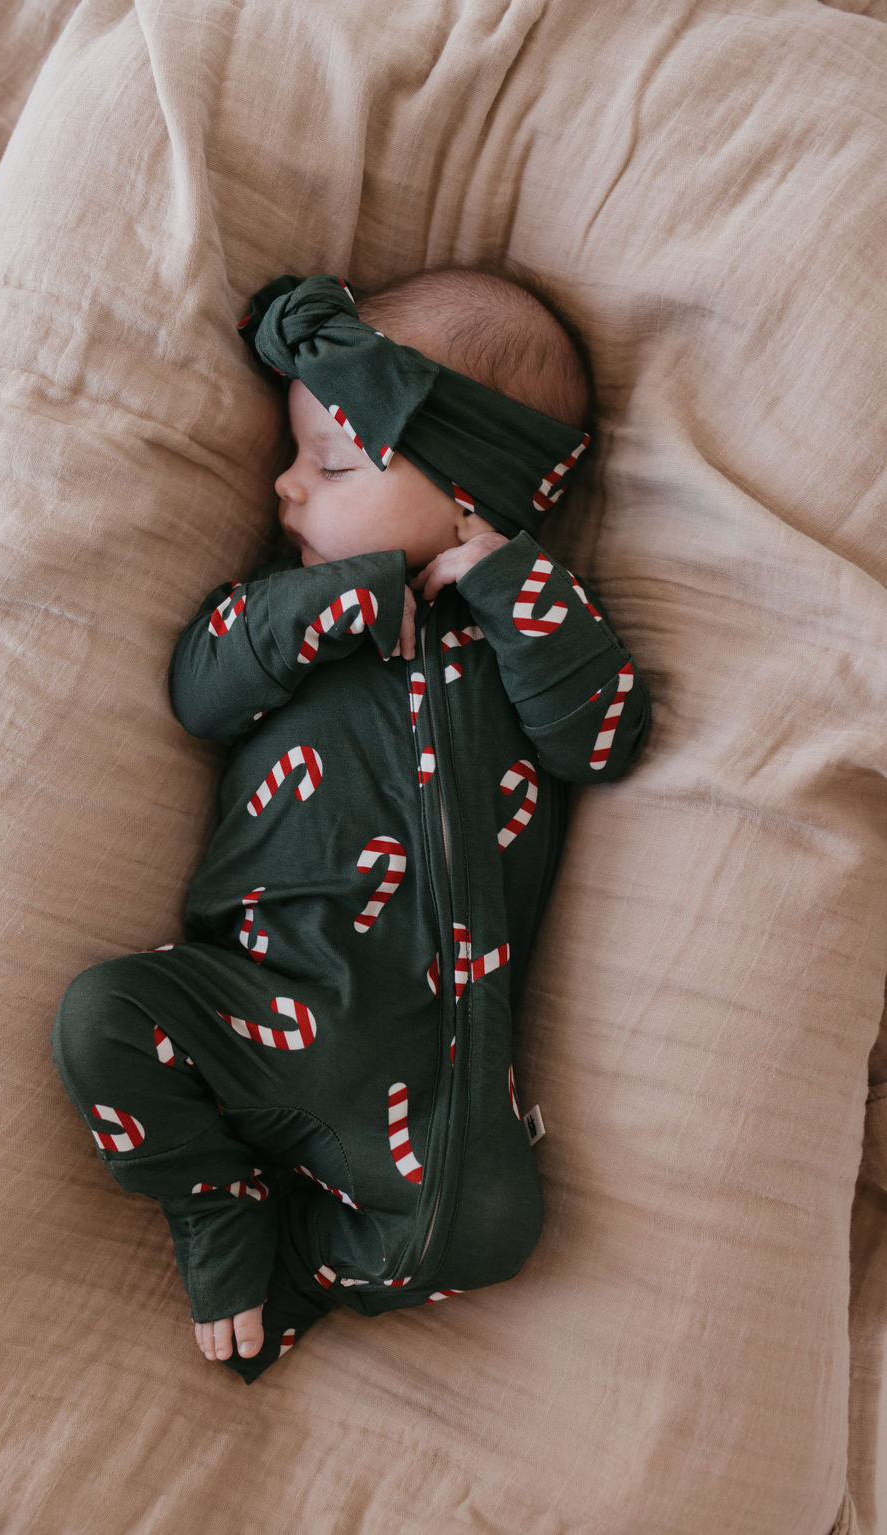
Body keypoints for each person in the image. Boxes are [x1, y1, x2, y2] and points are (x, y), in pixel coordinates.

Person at [51, 268, 651, 1383]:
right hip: (262, 1003)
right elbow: (200, 687)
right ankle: (217, 1204)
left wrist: (510, 581)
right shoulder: (287, 613)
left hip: (420, 1061)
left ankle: (306, 1272)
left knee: (493, 1229)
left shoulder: (529, 633)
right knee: (103, 1017)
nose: (285, 487)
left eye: (329, 464)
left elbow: (603, 735)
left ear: (472, 496)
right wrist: (351, 592)